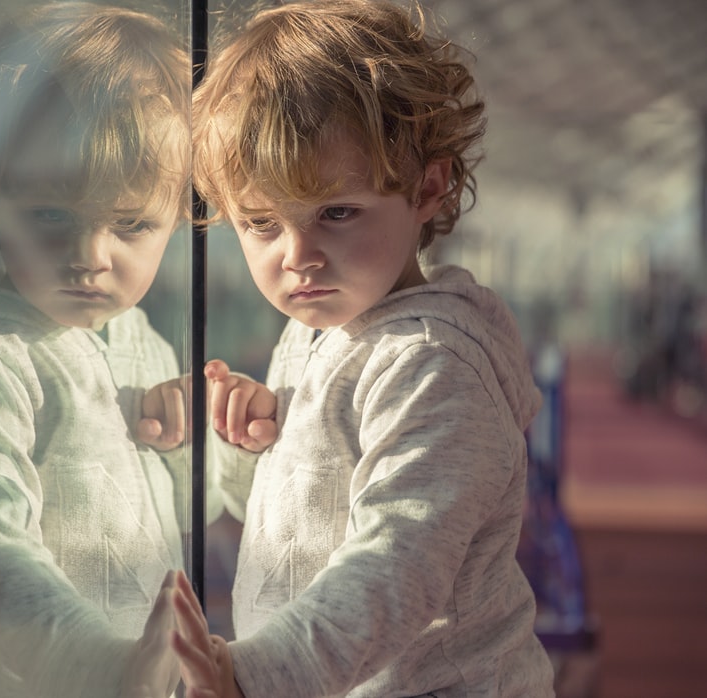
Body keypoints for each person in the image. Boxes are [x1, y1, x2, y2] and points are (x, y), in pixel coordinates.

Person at [171, 1, 556, 696]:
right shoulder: (321, 331)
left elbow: (395, 566)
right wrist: (252, 447)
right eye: (261, 223)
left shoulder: (431, 366)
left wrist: (253, 677)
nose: (299, 257)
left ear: (428, 190)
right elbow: (300, 515)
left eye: (336, 213)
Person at [0, 4, 200, 696]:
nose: (89, 257)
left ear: (180, 215)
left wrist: (208, 437)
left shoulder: (137, 339)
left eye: (132, 224)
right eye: (51, 216)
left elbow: (181, 514)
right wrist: (105, 669)